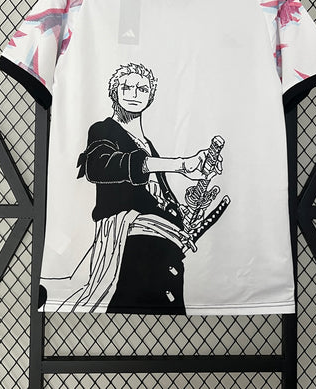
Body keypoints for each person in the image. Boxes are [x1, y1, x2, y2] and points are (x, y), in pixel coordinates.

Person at [74, 62, 221, 314]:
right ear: (114, 92)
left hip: (167, 253)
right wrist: (181, 165)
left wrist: (187, 207)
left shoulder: (150, 147)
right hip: (131, 247)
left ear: (150, 96)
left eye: (142, 89)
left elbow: (155, 200)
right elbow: (99, 167)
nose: (134, 93)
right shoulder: (103, 130)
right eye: (127, 87)